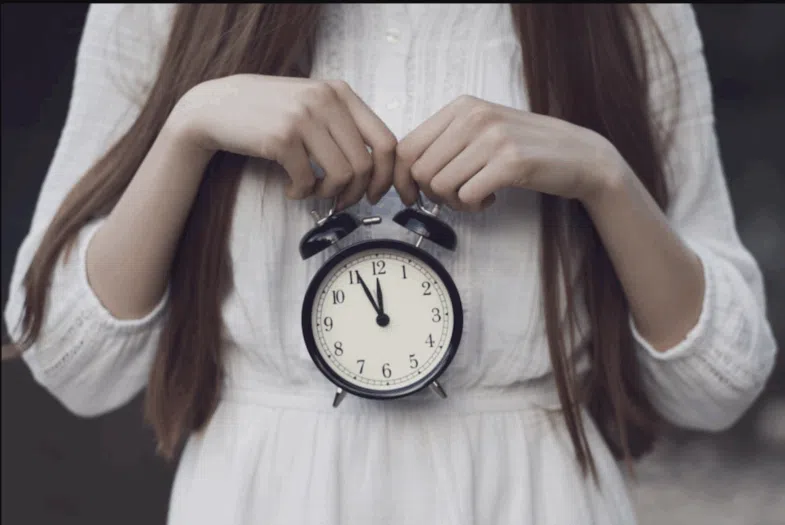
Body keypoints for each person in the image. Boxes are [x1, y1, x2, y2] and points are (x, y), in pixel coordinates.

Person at [3, 3, 776, 524]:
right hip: (267, 494)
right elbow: (74, 362)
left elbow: (716, 382)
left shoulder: (623, 14)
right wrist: (190, 125)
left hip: (531, 492)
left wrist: (604, 177)